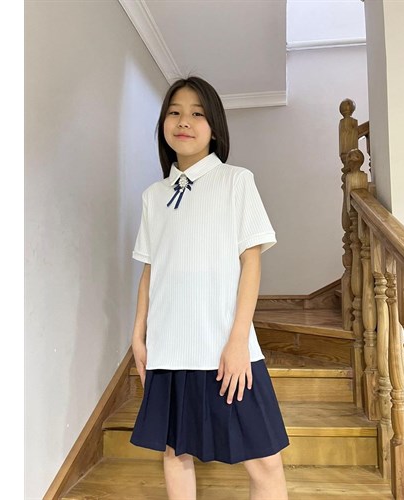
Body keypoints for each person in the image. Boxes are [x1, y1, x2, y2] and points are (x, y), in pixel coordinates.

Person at [129, 75, 289, 500]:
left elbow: (251, 262)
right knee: (175, 453)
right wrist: (138, 333)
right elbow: (150, 269)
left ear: (214, 127)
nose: (184, 121)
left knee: (266, 463)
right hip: (169, 347)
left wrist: (238, 340)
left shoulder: (236, 181)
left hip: (224, 348)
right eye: (175, 112)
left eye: (197, 113)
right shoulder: (153, 196)